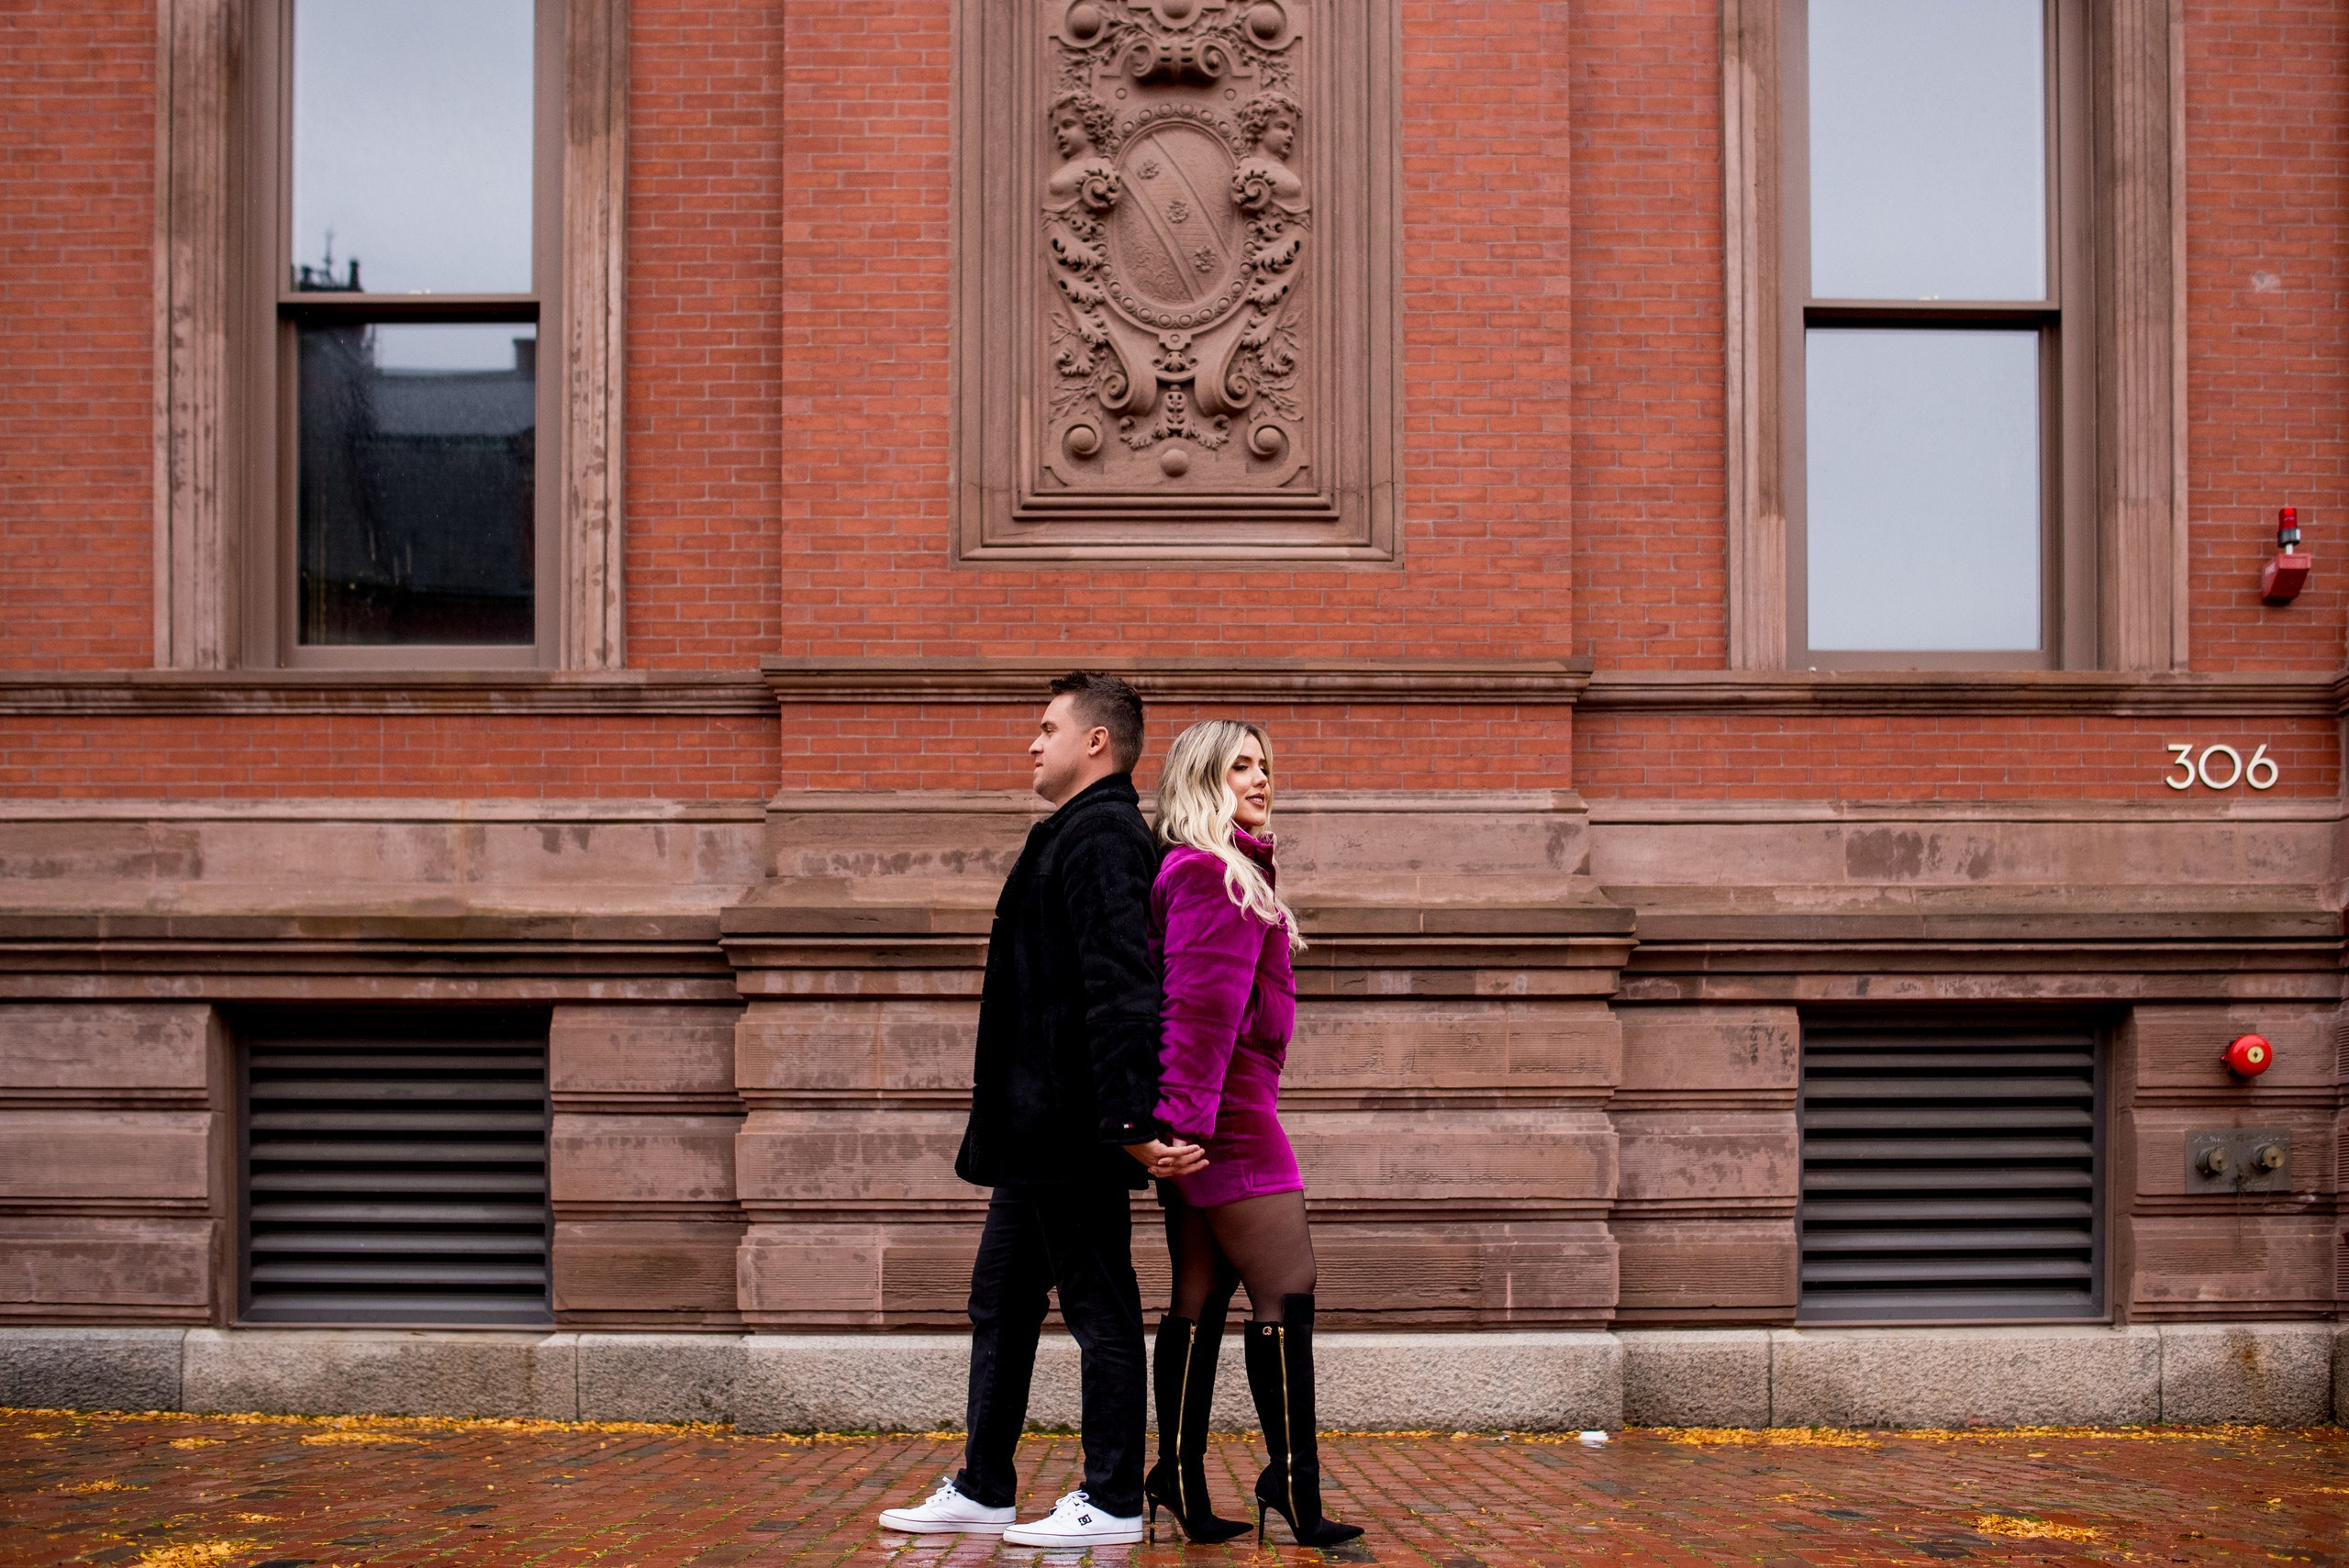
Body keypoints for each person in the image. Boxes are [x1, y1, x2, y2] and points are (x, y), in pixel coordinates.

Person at [876, 672, 1208, 1550]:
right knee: (1001, 1300)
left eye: (1048, 726)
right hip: (1035, 1136)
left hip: (1075, 1132)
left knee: (1100, 1308)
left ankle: (1113, 1499)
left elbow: (1124, 991)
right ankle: (985, 1486)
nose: (1033, 742)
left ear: (1096, 742)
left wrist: (1133, 1126)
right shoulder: (1069, 833)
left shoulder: (1102, 837)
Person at [1144, 719, 1363, 1547]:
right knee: (1288, 1286)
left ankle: (1179, 1475)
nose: (1262, 779)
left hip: (1212, 1111)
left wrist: (1177, 1128)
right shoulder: (1212, 875)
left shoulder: (1224, 870)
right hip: (1229, 1117)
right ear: (1203, 780)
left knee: (1197, 1298)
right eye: (1242, 766)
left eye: (1266, 765)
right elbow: (1198, 1011)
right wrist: (1187, 1127)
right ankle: (1294, 1486)